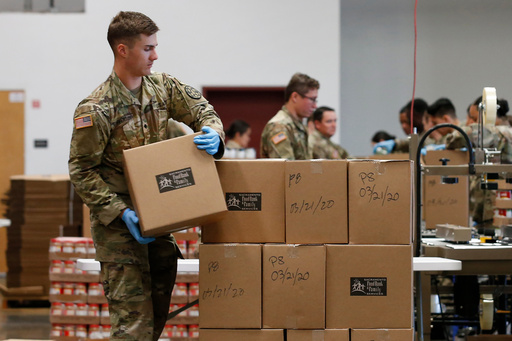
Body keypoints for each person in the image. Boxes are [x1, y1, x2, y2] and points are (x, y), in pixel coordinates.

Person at [68, 11, 224, 341]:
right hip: (120, 232)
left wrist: (214, 132)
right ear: (123, 50)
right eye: (148, 48)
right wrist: (120, 212)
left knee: (153, 320)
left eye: (156, 47)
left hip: (158, 222)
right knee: (132, 326)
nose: (155, 55)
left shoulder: (163, 88)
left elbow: (202, 110)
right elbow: (81, 170)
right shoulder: (96, 108)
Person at [260, 72, 319, 159]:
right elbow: (285, 170)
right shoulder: (279, 127)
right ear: (295, 97)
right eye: (312, 99)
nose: (315, 106)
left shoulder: (298, 126)